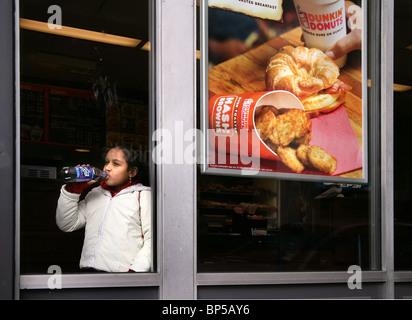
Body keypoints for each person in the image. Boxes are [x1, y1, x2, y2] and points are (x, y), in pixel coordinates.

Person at [56, 145, 152, 273]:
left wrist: (134, 273)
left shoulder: (143, 196)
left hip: (123, 278)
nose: (107, 168)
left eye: (116, 164)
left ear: (132, 172)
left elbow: (152, 241)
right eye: (107, 162)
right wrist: (72, 191)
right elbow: (67, 224)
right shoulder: (95, 194)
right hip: (89, 274)